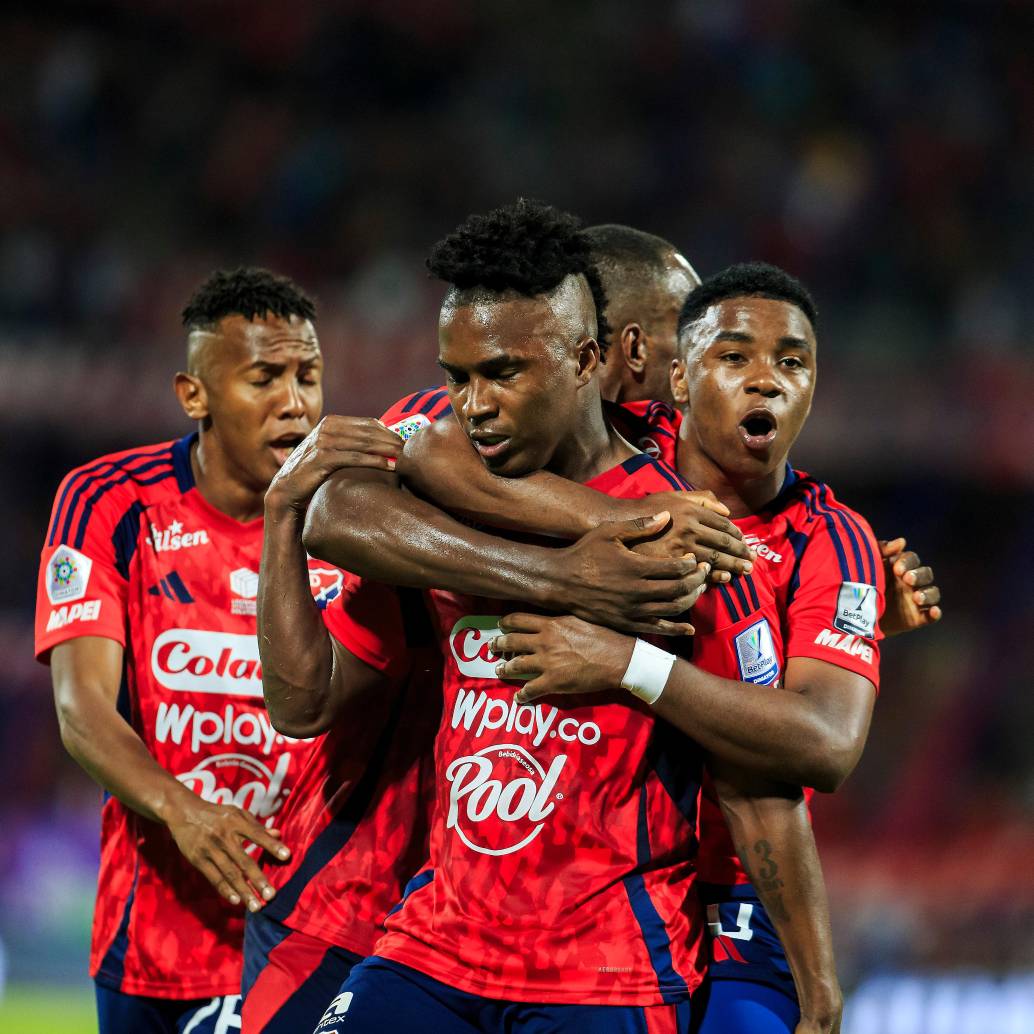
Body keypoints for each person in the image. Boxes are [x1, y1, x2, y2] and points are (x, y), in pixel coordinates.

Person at [294, 199, 840, 1032]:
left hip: (604, 970)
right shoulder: (445, 470)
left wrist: (819, 993)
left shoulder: (692, 539)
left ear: (586, 360)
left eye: (502, 374)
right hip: (432, 945)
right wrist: (567, 576)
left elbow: (764, 781)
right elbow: (334, 511)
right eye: (458, 377)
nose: (473, 404)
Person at [33, 267, 387, 1034]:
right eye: (264, 377)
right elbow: (81, 705)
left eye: (309, 376)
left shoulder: (360, 515)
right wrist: (181, 810)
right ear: (194, 395)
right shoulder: (109, 502)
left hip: (316, 934)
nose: (295, 402)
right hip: (156, 941)